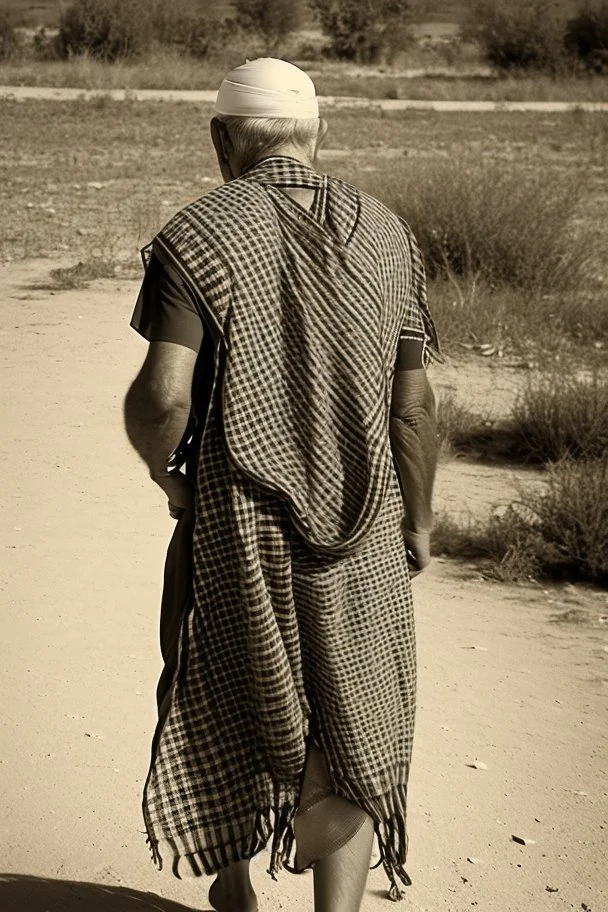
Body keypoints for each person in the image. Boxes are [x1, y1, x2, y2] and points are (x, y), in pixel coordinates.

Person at [124, 58, 440, 912]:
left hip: (237, 521)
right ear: (315, 133)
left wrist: (169, 475)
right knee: (353, 716)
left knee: (209, 690)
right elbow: (411, 407)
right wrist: (417, 520)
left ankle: (234, 892)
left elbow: (163, 397)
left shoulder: (198, 234)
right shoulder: (389, 234)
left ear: (223, 139)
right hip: (369, 521)